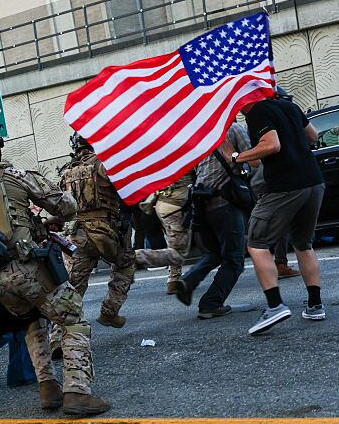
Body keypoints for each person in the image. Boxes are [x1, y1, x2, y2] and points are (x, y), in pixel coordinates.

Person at [0, 125, 111, 416]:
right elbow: (66, 205)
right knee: (73, 319)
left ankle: (48, 388)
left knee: (33, 321)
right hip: (25, 267)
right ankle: (78, 392)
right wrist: (48, 219)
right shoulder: (10, 174)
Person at [58, 134, 183, 329]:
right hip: (107, 233)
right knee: (125, 266)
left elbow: (60, 205)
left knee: (73, 287)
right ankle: (109, 312)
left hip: (77, 236)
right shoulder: (104, 165)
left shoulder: (67, 171)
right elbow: (129, 192)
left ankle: (58, 336)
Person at [237, 90, 325, 334]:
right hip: (314, 182)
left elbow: (272, 145)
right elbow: (313, 136)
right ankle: (315, 305)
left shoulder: (256, 113)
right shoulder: (289, 107)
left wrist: (236, 156)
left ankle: (275, 306)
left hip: (286, 186)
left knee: (256, 243)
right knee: (303, 244)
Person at [172, 122, 250, 318]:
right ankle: (211, 303)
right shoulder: (233, 129)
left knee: (214, 252)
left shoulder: (200, 133)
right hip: (225, 203)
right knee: (234, 259)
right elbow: (252, 158)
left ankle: (188, 281)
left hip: (201, 204)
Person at [152, 169, 195, 293]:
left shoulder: (161, 158)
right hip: (176, 205)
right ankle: (135, 257)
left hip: (162, 203)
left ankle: (174, 279)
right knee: (179, 248)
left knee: (174, 243)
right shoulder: (182, 157)